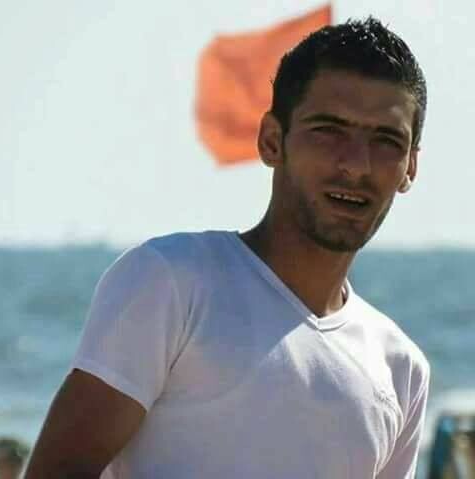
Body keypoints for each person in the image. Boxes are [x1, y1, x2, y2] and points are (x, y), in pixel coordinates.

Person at [23, 16, 430, 479]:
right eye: (329, 129)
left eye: (386, 140)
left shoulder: (401, 367)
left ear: (410, 167)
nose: (356, 164)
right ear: (272, 141)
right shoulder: (172, 282)